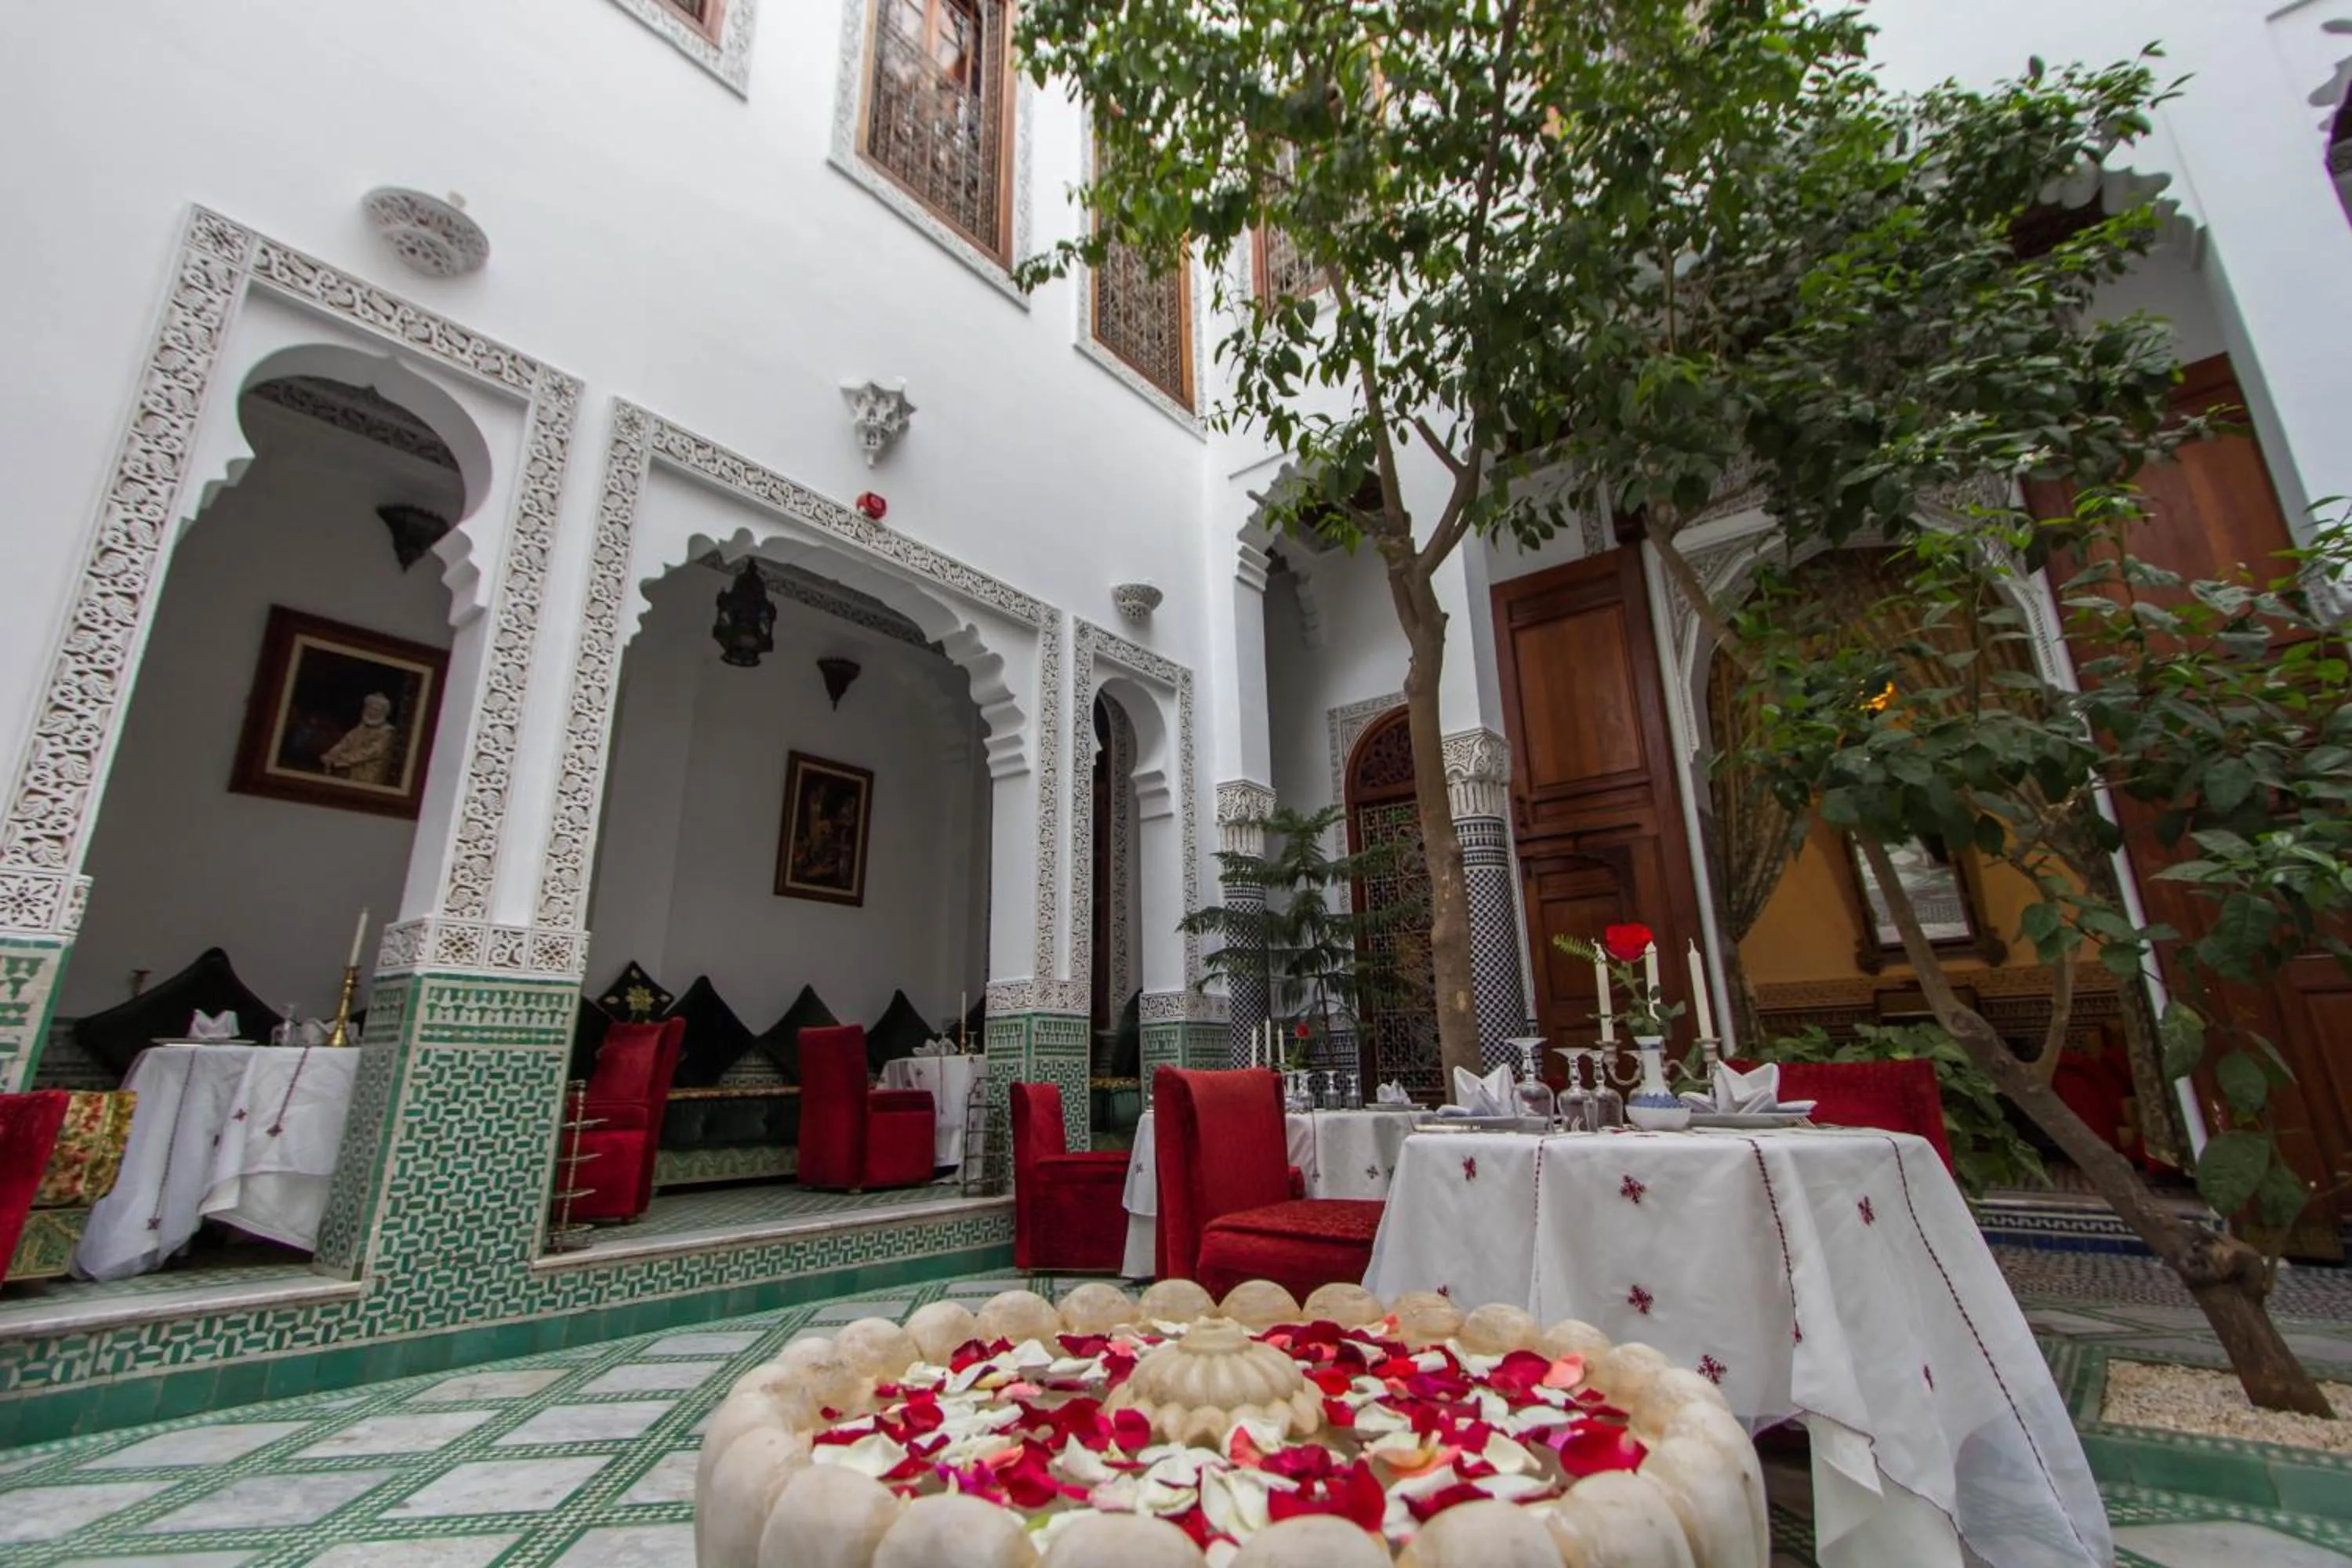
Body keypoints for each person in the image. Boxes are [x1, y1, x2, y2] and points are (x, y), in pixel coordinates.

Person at [319, 691, 398, 785]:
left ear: (383, 713)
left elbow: (369, 753)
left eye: (375, 710)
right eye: (369, 708)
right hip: (351, 775)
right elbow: (346, 742)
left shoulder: (387, 732)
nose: (371, 712)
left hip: (369, 778)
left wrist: (341, 758)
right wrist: (333, 752)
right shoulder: (361, 727)